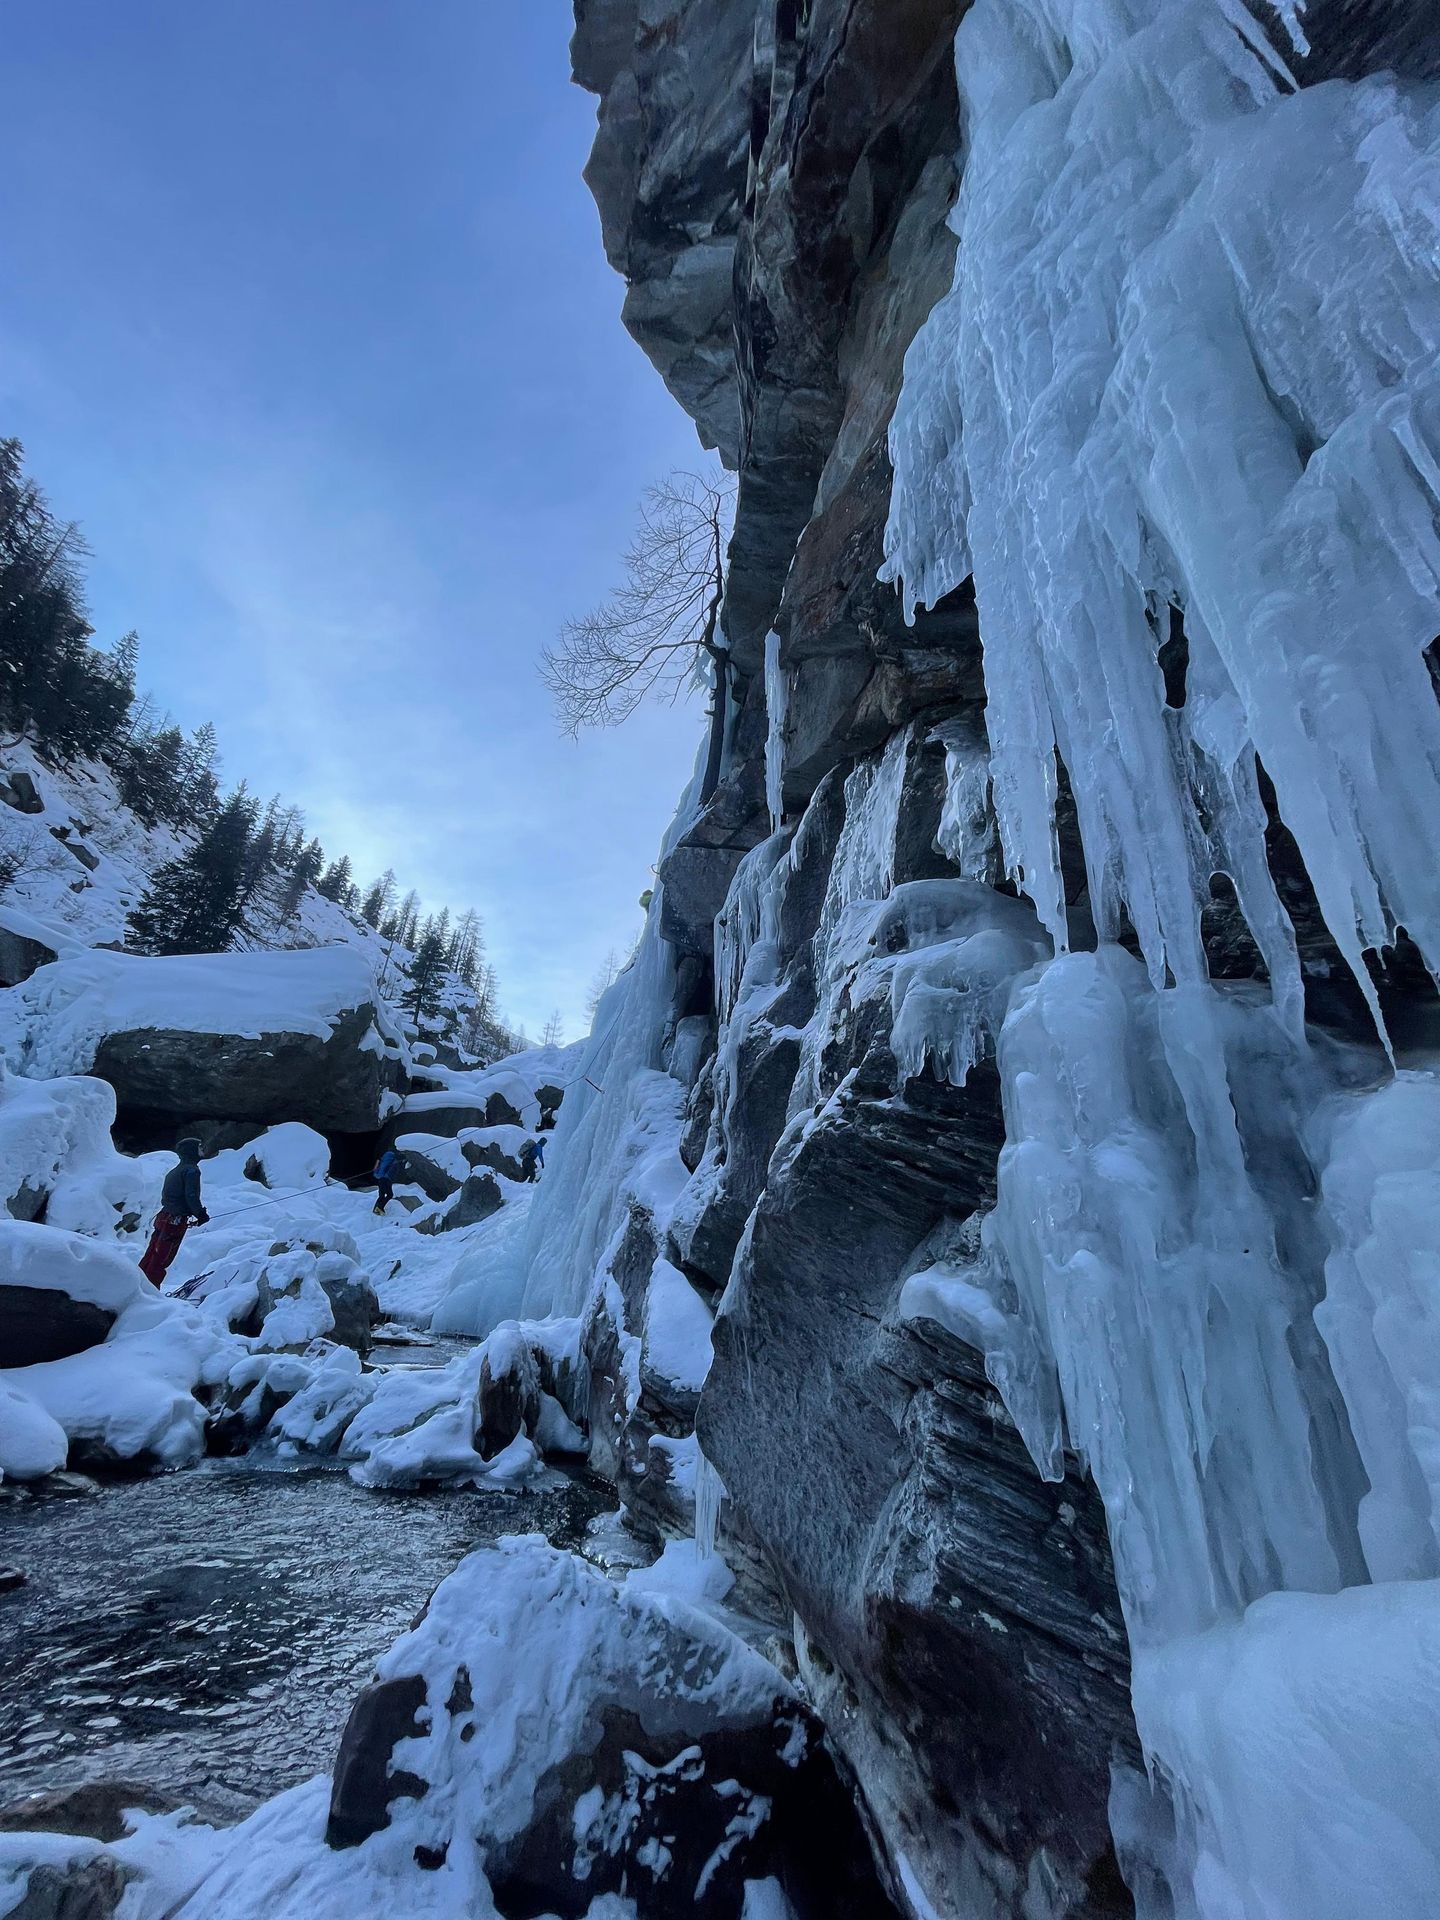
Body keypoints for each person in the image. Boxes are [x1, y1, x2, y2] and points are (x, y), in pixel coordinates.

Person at [139, 1138, 208, 1287]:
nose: (202, 1149)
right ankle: (149, 1291)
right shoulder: (191, 1171)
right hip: (174, 1221)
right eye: (199, 1146)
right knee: (162, 1258)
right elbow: (191, 1195)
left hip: (164, 1217)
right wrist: (200, 1213)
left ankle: (139, 1284)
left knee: (152, 1253)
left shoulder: (175, 1171)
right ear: (192, 1150)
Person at [372, 1146, 402, 1214]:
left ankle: (376, 1209)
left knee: (381, 1195)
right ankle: (379, 1208)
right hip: (387, 1179)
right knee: (389, 1194)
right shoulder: (394, 1159)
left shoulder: (384, 1158)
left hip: (380, 1178)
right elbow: (394, 1169)